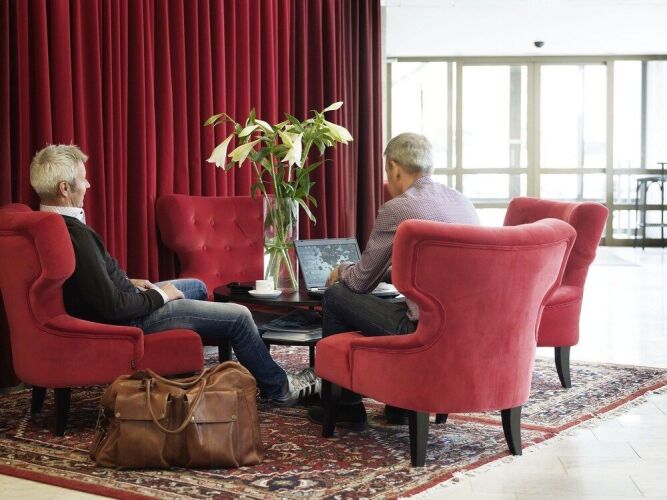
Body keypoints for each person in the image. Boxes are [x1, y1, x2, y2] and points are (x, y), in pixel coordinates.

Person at [29, 144, 318, 406]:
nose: (88, 185)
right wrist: (160, 295)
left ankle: (209, 360)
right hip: (130, 319)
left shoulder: (47, 223)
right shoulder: (74, 235)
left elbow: (89, 283)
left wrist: (128, 282)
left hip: (126, 301)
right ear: (65, 188)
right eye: (83, 179)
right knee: (240, 316)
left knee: (196, 286)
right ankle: (280, 388)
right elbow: (112, 307)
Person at [308, 132, 480, 429]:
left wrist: (343, 269)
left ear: (394, 168)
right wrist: (387, 273)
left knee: (336, 295)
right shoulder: (462, 203)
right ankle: (400, 406)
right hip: (468, 326)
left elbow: (360, 282)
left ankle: (347, 407)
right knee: (399, 303)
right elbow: (441, 271)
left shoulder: (398, 208)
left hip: (422, 330)